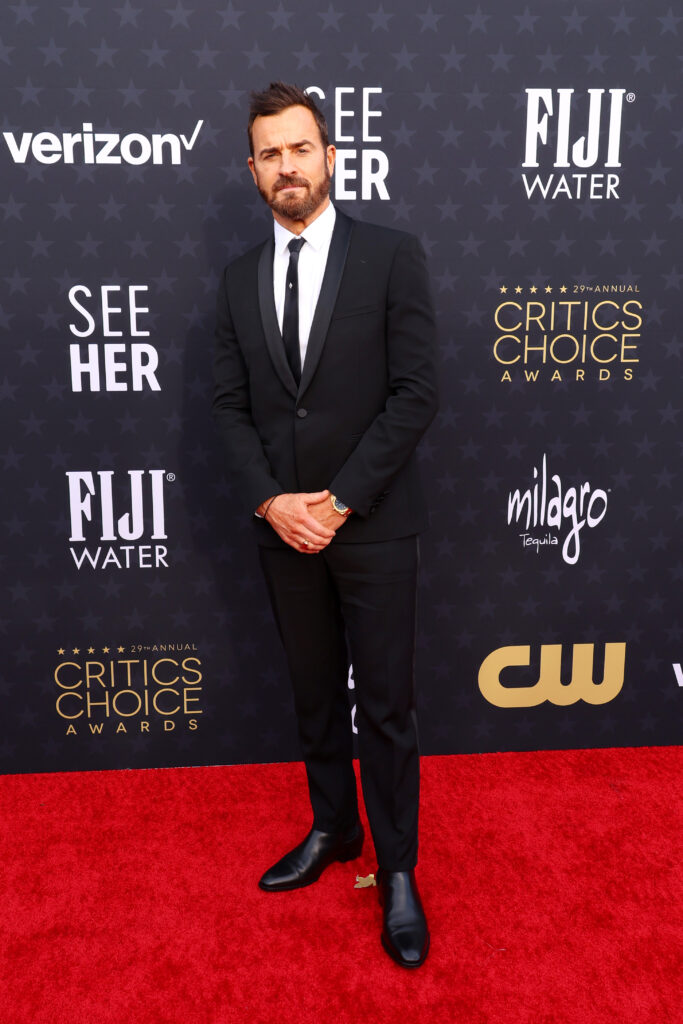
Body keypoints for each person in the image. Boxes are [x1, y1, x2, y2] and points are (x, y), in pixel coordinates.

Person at [212, 82, 437, 968]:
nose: (287, 166)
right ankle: (334, 831)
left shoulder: (391, 255)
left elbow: (416, 394)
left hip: (370, 526)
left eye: (299, 148)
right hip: (282, 531)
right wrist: (273, 503)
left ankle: (397, 871)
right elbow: (228, 408)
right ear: (252, 170)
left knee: (384, 708)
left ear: (330, 156)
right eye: (270, 154)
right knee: (312, 698)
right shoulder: (237, 280)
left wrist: (336, 502)